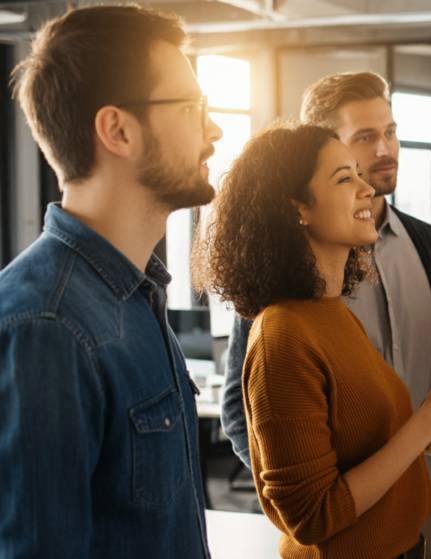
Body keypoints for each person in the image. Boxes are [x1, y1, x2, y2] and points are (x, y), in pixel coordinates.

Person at [190, 121, 431, 558]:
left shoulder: (331, 312)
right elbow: (312, 516)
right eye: (344, 178)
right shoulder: (283, 335)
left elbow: (355, 443)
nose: (366, 188)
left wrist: (429, 435)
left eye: (358, 173)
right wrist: (428, 416)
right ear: (298, 207)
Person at [0, 6, 223, 557]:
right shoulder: (46, 326)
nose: (213, 129)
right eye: (193, 107)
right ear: (117, 130)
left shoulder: (138, 291)